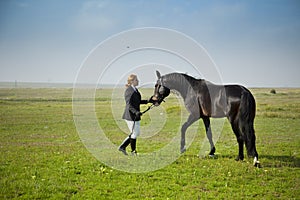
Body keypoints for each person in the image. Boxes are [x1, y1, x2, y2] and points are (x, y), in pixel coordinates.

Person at [118, 74, 150, 155]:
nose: (138, 81)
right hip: (130, 116)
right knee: (134, 133)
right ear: (132, 81)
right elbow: (129, 105)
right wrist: (136, 112)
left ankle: (122, 147)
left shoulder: (135, 90)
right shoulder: (129, 91)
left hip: (135, 115)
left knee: (136, 133)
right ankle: (133, 151)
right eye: (136, 80)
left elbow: (137, 102)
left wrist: (149, 101)